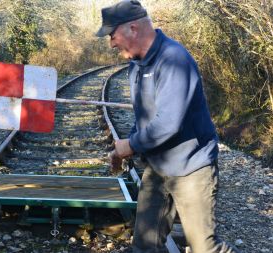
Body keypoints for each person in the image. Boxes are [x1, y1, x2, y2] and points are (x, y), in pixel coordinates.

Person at [96, 1, 239, 253]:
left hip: (191, 166)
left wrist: (129, 145)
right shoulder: (137, 66)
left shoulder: (174, 59)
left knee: (204, 248)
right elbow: (145, 119)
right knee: (144, 244)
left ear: (132, 28)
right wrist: (125, 148)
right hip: (158, 166)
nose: (111, 43)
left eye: (112, 35)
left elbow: (168, 122)